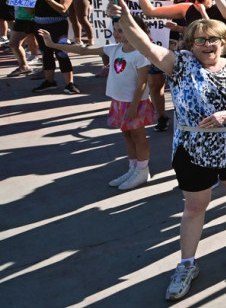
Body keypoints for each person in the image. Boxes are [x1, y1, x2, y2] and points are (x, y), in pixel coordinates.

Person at [106, 0, 226, 302]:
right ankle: (186, 265)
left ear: (224, 41)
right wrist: (127, 18)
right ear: (190, 43)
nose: (208, 44)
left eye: (214, 39)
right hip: (192, 149)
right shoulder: (180, 64)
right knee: (195, 207)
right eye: (200, 39)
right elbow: (145, 46)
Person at [38, 15, 157, 190]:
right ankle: (133, 168)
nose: (116, 34)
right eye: (115, 30)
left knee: (138, 137)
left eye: (121, 31)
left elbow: (142, 83)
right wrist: (52, 45)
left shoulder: (141, 54)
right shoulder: (115, 49)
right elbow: (83, 51)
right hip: (119, 102)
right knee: (127, 135)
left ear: (135, 31)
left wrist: (133, 106)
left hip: (135, 104)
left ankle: (142, 170)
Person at [31, 0, 78, 94]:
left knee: (61, 53)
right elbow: (31, 11)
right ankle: (49, 81)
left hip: (57, 25)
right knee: (46, 54)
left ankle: (70, 84)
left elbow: (63, 9)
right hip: (40, 24)